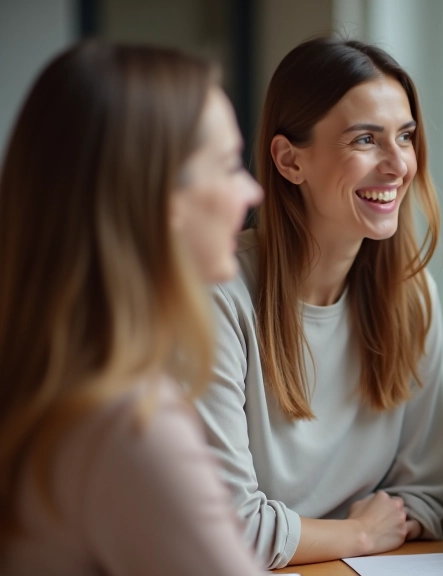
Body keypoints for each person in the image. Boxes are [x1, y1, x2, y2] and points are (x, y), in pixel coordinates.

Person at [0, 41, 264, 575]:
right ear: (160, 198)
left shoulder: (51, 389)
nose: (252, 191)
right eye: (229, 166)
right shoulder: (128, 426)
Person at [194, 37, 443, 569]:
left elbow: (427, 497)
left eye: (405, 137)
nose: (397, 164)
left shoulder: (411, 295)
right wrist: (357, 535)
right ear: (290, 161)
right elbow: (227, 528)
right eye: (365, 140)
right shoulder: (215, 293)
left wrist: (314, 538)